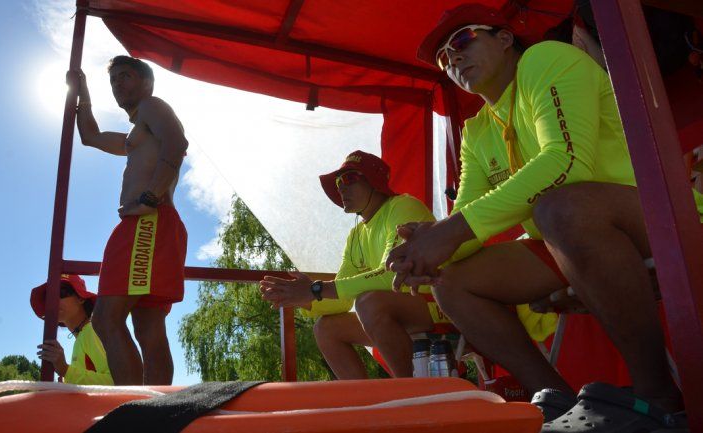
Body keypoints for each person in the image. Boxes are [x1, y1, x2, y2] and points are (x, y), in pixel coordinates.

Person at [386, 3, 702, 429]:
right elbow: (466, 220)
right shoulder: (478, 129)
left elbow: (566, 164)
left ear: (503, 38)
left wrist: (450, 231)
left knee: (560, 205)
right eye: (444, 57)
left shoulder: (544, 59)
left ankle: (657, 397)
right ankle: (556, 405)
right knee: (453, 280)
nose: (453, 57)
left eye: (461, 40)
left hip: (661, 221)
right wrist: (426, 249)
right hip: (571, 236)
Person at [260, 150, 443, 378]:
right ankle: (367, 406)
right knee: (325, 328)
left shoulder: (402, 206)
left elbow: (391, 276)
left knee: (369, 303)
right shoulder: (355, 235)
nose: (340, 188)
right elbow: (344, 297)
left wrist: (316, 288)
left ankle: (413, 395)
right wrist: (304, 298)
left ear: (374, 182)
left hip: (437, 305)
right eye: (338, 182)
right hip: (394, 312)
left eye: (348, 179)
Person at [75, 56, 189, 385]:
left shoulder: (153, 106)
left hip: (149, 221)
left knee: (106, 319)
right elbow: (90, 136)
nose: (118, 85)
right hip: (148, 224)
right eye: (113, 81)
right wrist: (83, 92)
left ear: (146, 83)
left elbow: (176, 142)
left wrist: (153, 194)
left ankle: (133, 408)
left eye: (125, 76)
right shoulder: (134, 136)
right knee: (147, 322)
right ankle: (158, 408)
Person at [32, 274, 113, 385]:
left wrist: (65, 370)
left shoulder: (92, 331)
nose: (54, 301)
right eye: (49, 297)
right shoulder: (83, 335)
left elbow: (117, 382)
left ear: (80, 298)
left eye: (62, 292)